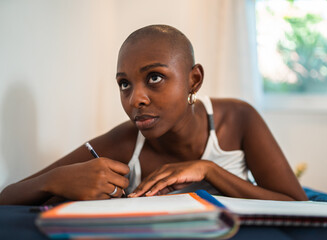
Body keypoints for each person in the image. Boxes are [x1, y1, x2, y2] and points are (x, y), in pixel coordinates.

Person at [0, 25, 307, 205]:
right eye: (124, 84)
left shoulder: (238, 119)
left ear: (194, 80)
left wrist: (209, 170)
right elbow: (7, 197)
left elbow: (297, 205)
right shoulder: (122, 143)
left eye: (155, 77)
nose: (136, 99)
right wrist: (56, 180)